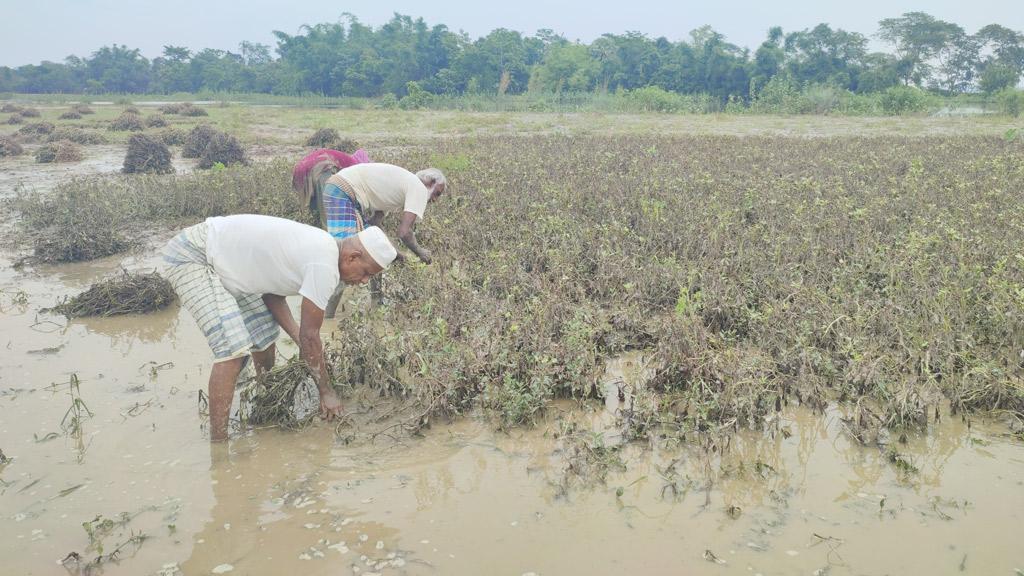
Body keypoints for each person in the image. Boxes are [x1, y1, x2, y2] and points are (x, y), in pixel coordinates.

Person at [162, 214, 397, 442]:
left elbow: (272, 297)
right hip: (194, 256)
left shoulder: (324, 248)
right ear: (352, 257)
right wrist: (326, 392)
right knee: (232, 350)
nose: (365, 281)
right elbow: (310, 336)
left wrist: (301, 342)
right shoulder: (324, 265)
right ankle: (219, 446)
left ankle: (264, 401)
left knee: (264, 335)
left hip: (226, 261)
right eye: (366, 272)